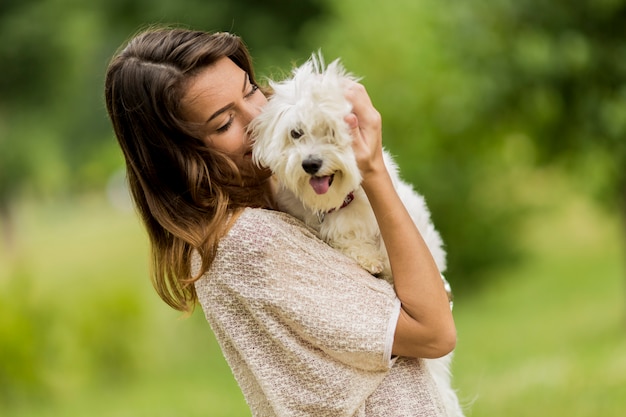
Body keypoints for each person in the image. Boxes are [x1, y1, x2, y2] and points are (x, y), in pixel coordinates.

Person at [104, 26, 456, 416]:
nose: (259, 118)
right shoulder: (249, 242)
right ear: (179, 159)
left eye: (251, 89)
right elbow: (434, 331)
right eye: (224, 124)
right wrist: (372, 173)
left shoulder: (273, 205)